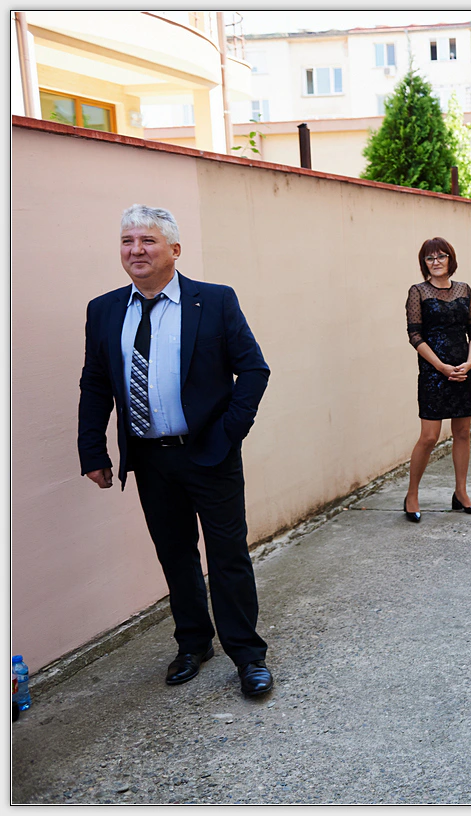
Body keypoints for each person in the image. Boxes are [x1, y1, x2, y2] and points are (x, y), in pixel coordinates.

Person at [77, 204, 274, 698]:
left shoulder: (215, 301)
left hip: (210, 452)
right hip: (150, 457)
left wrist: (230, 432)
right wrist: (92, 450)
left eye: (148, 241)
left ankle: (247, 655)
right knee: (175, 554)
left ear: (175, 250)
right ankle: (193, 642)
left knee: (227, 555)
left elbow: (253, 369)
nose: (136, 250)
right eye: (128, 241)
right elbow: (96, 382)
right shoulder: (103, 310)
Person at [402, 237, 471, 522]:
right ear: (424, 263)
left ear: (450, 259)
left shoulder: (464, 289)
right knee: (429, 436)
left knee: (462, 433)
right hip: (433, 373)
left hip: (462, 370)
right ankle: (412, 494)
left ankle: (461, 493)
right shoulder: (418, 292)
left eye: (441, 256)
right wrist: (440, 367)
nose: (436, 262)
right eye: (430, 258)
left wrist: (469, 362)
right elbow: (415, 335)